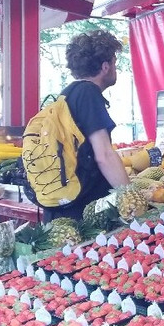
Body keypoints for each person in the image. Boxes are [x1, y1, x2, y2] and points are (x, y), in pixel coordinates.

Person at [45, 29, 129, 221]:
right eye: (115, 63)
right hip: (82, 212)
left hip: (63, 206)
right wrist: (130, 197)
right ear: (105, 66)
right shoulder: (88, 94)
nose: (115, 69)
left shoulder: (66, 94)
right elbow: (104, 155)